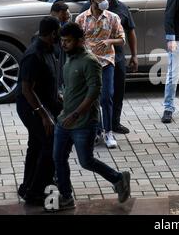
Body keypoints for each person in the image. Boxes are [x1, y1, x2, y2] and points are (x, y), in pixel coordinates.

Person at [49, 23, 130, 212]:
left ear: (80, 41)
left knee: (86, 161)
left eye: (68, 41)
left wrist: (77, 113)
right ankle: (66, 197)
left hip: (84, 122)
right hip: (64, 120)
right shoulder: (69, 59)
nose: (64, 45)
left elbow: (95, 92)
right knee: (58, 158)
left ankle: (119, 178)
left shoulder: (90, 61)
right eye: (62, 41)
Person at [80, 0, 138, 135]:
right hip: (92, 61)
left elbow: (130, 32)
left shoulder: (120, 10)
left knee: (115, 93)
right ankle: (98, 127)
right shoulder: (85, 13)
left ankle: (114, 124)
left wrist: (134, 55)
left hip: (115, 58)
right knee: (95, 95)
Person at [16, 16, 62, 205]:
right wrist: (44, 115)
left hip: (45, 106)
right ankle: (35, 191)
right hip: (32, 108)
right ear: (53, 33)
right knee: (50, 145)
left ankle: (27, 186)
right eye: (59, 32)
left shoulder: (50, 49)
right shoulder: (33, 55)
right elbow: (27, 90)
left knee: (36, 145)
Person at [75, 0, 125, 149]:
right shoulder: (81, 19)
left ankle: (109, 131)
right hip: (88, 64)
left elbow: (122, 39)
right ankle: (96, 131)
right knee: (91, 99)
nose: (106, 1)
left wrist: (110, 41)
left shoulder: (113, 18)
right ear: (93, 1)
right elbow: (75, 41)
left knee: (106, 97)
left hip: (106, 62)